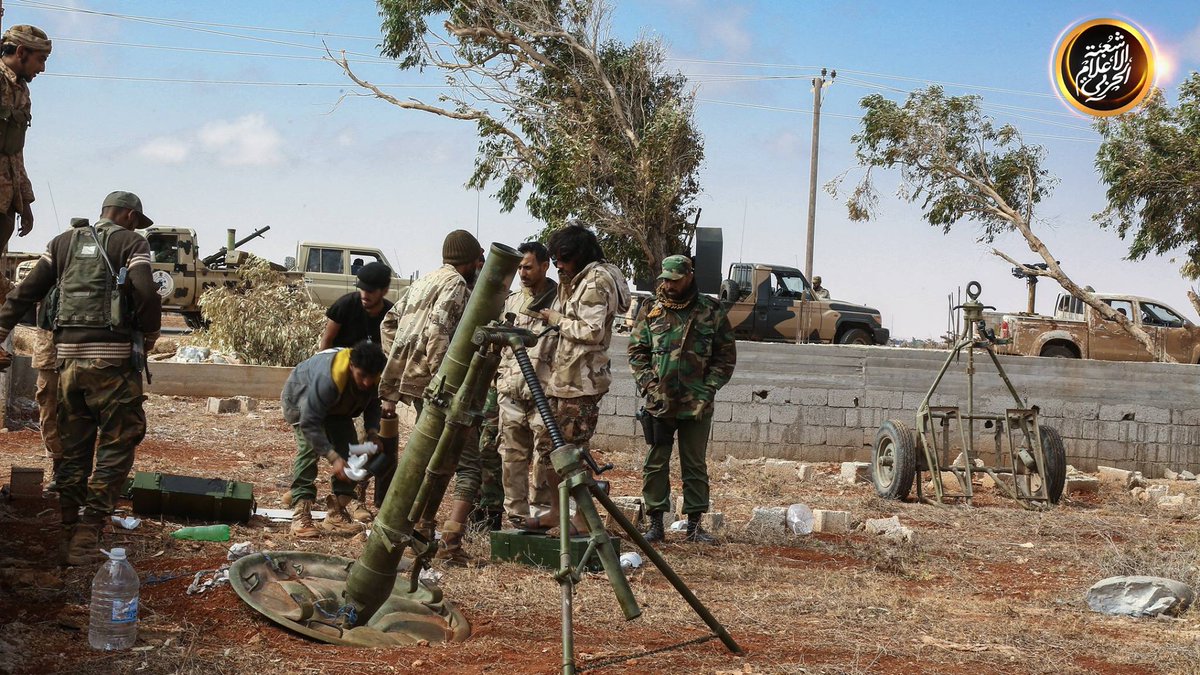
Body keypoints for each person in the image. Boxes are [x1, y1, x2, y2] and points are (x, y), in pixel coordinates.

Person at [0, 191, 160, 566]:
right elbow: (146, 293)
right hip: (114, 363)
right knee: (118, 442)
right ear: (126, 214)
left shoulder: (62, 243)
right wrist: (150, 334)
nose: (137, 226)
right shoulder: (131, 242)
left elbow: (26, 292)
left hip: (67, 363)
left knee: (73, 448)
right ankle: (90, 530)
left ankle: (68, 530)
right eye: (136, 219)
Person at [379, 229, 484, 563]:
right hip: (441, 389)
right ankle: (451, 544)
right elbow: (439, 331)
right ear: (470, 261)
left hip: (418, 384)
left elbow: (388, 323)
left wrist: (405, 362)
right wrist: (444, 378)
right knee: (467, 464)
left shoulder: (425, 280)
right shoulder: (455, 283)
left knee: (429, 459)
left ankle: (422, 530)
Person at [528, 224, 630, 531]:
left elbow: (592, 331)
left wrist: (556, 319)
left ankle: (583, 516)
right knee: (548, 447)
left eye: (563, 258)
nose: (558, 264)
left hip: (583, 382)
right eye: (556, 259)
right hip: (564, 378)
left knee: (571, 452)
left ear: (580, 255)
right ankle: (557, 512)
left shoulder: (597, 281)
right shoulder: (575, 279)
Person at [629, 255, 736, 544]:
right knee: (655, 462)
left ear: (689, 276)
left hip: (696, 403)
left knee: (694, 463)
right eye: (665, 279)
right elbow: (636, 352)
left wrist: (709, 388)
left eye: (675, 279)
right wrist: (649, 386)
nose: (669, 284)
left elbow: (725, 356)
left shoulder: (710, 310)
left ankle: (694, 526)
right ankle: (655, 524)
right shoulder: (651, 310)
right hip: (659, 402)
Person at [282, 340, 386, 538]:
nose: (366, 382)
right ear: (351, 366)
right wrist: (333, 457)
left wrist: (373, 431)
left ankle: (336, 513)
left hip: (337, 409)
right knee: (309, 452)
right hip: (302, 401)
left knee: (352, 453)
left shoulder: (375, 377)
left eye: (371, 378)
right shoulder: (328, 379)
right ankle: (300, 514)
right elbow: (309, 423)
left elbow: (374, 402)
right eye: (361, 376)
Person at [316, 260, 394, 517]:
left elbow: (393, 354)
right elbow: (326, 342)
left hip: (371, 387)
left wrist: (386, 395)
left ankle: (356, 498)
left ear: (383, 290)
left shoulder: (392, 315)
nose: (364, 295)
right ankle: (302, 496)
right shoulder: (346, 305)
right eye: (361, 289)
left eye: (371, 291)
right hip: (339, 382)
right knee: (320, 443)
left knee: (368, 444)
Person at [495, 241, 557, 525]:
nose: (522, 272)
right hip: (511, 391)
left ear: (545, 266)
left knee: (545, 460)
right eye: (519, 267)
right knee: (512, 458)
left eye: (528, 266)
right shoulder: (512, 301)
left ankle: (543, 516)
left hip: (544, 394)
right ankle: (517, 517)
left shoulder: (559, 302)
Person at [0, 25, 51, 303]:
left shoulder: (21, 92)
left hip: (6, 199)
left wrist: (25, 203)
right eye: (39, 59)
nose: (42, 68)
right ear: (21, 52)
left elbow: (15, 153)